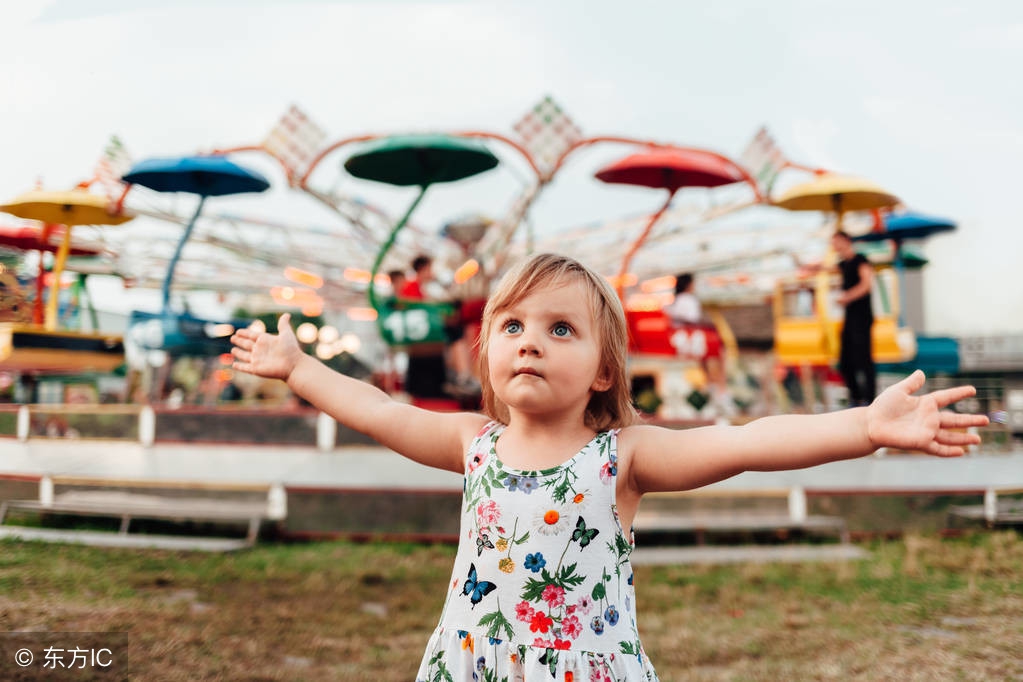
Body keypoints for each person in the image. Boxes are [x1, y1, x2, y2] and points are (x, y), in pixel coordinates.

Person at [231, 253, 985, 681]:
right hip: (472, 665)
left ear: (601, 370)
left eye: (560, 329)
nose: (529, 342)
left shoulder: (621, 458)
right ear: (489, 354)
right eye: (512, 326)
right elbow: (381, 412)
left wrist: (865, 426)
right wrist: (299, 368)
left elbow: (748, 440)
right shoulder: (472, 444)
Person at [832, 230, 876, 406]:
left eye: (835, 241)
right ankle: (856, 397)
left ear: (845, 240)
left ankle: (869, 400)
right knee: (844, 361)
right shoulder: (843, 264)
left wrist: (847, 296)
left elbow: (866, 284)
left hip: (862, 317)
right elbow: (824, 269)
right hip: (849, 318)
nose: (833, 246)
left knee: (864, 359)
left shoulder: (861, 260)